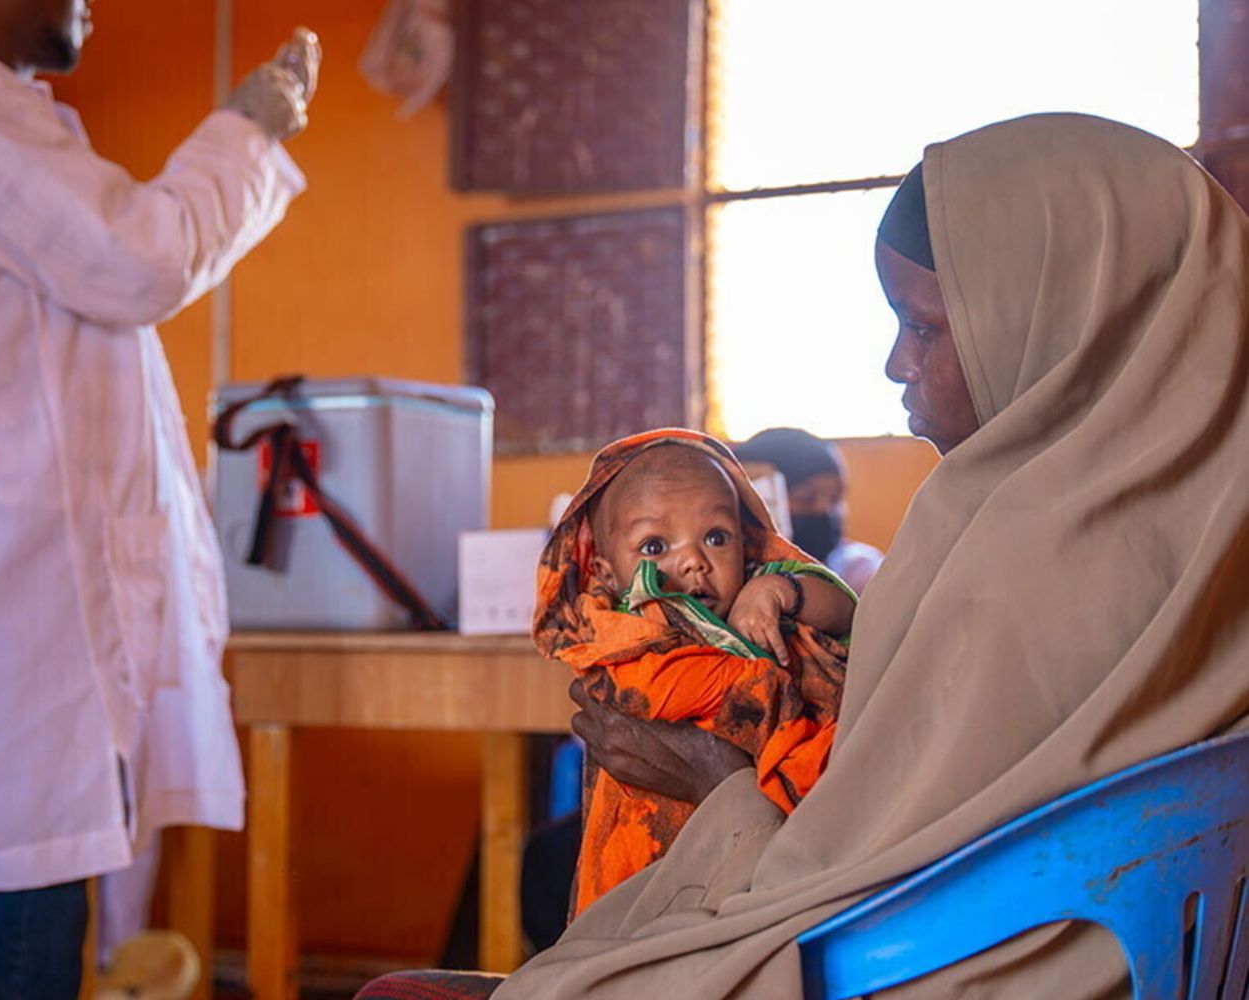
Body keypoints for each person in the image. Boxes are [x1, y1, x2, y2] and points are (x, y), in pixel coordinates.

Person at [358, 112, 1249, 999]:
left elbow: (863, 904)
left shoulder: (1018, 576)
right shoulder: (1204, 530)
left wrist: (713, 784)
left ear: (1060, 324)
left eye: (925, 327)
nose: (897, 363)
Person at [0, 0, 319, 993]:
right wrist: (247, 131)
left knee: (10, 915)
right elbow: (138, 258)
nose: (86, 4)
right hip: (6, 620)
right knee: (16, 927)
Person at [535, 428, 856, 917]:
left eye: (715, 537)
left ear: (746, 543)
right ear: (602, 571)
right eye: (653, 546)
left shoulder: (760, 590)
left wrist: (782, 592)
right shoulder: (620, 629)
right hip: (660, 858)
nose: (692, 561)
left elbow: (848, 612)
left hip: (778, 847)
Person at [732, 428, 885, 594]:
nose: (825, 510)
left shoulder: (860, 568)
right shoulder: (721, 572)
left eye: (836, 499)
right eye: (807, 497)